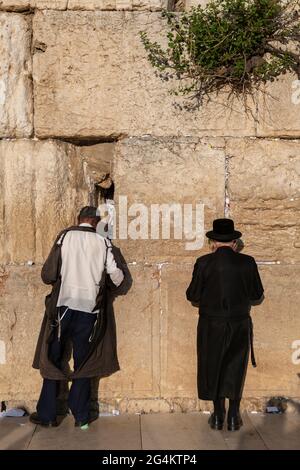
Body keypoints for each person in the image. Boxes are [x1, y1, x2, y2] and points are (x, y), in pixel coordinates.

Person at [30, 206, 125, 428]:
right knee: (85, 361)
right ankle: (81, 414)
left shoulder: (65, 236)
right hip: (89, 311)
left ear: (79, 219)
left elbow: (48, 274)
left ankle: (48, 415)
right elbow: (117, 277)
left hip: (63, 308)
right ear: (95, 222)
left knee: (53, 357)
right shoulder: (103, 241)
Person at [186, 218, 264, 431]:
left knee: (213, 366)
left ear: (212, 241)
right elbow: (257, 294)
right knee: (235, 366)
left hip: (211, 324)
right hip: (239, 322)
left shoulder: (203, 262)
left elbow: (192, 295)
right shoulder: (247, 262)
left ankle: (218, 414)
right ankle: (233, 415)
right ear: (234, 242)